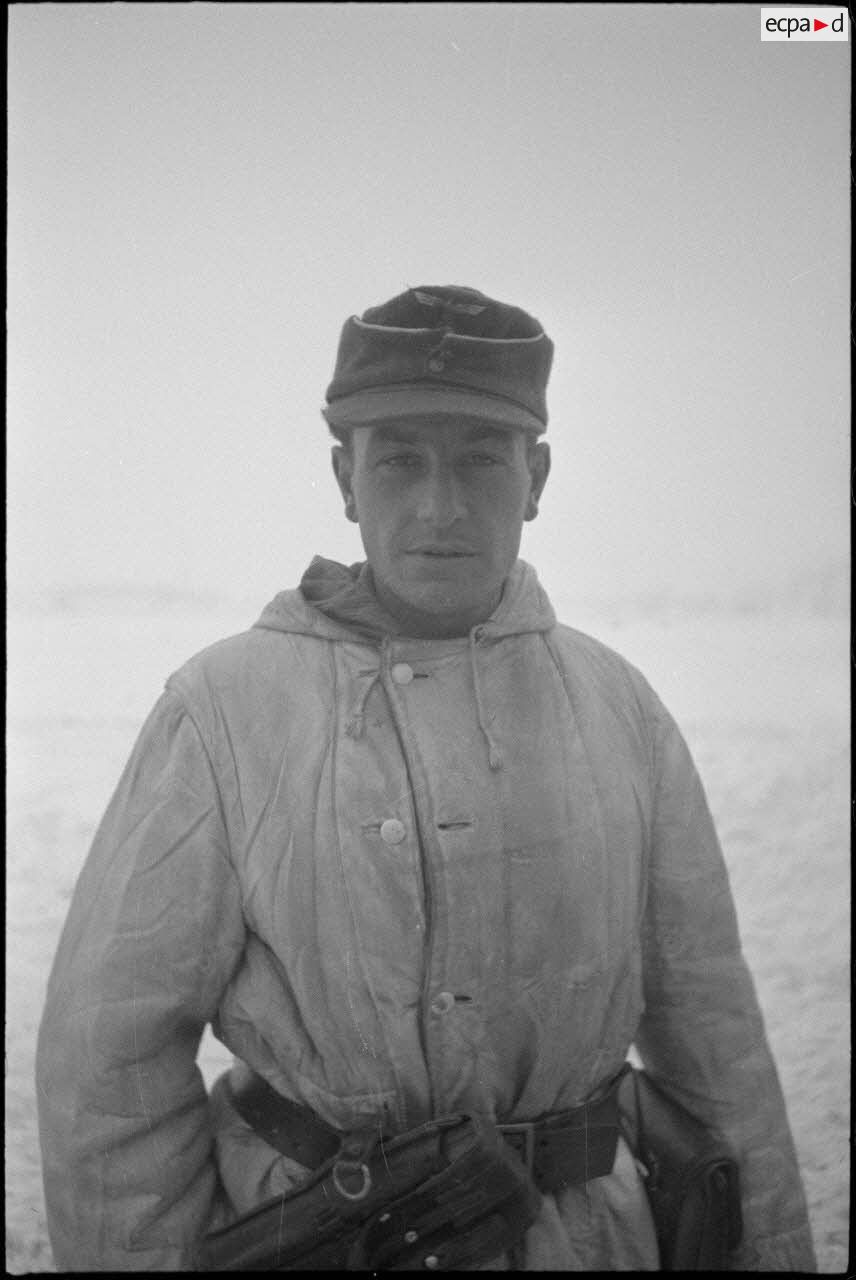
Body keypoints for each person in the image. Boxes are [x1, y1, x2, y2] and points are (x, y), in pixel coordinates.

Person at [36, 284, 816, 1271]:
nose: (440, 506)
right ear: (345, 477)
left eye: (481, 459)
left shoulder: (620, 710)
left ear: (534, 477)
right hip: (320, 1237)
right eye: (399, 459)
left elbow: (715, 1043)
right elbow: (108, 1057)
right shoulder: (224, 710)